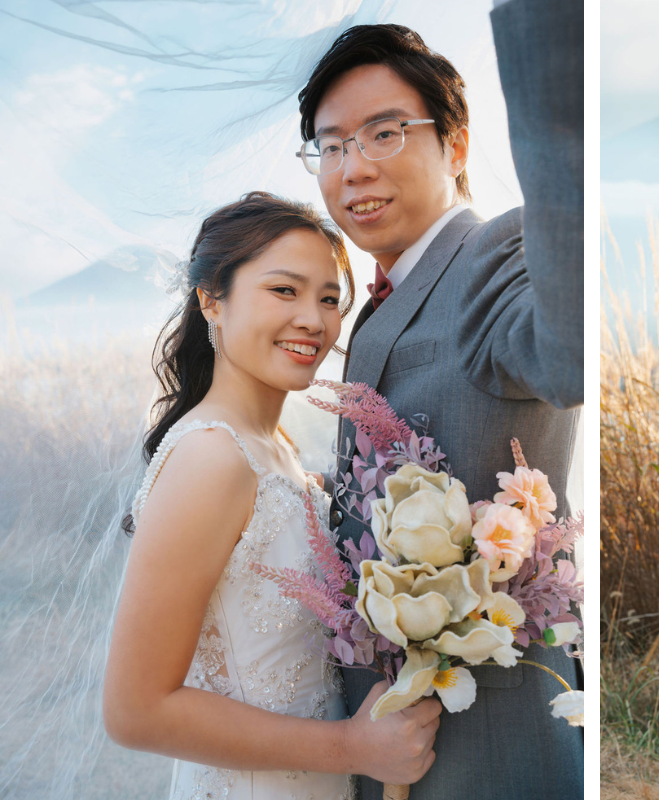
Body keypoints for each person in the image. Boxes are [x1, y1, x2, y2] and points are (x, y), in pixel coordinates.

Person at [294, 3, 583, 798]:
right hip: (392, 749)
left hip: (494, 751)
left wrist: (554, 35)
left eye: (385, 133)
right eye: (331, 145)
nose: (352, 168)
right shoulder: (376, 298)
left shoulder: (500, 256)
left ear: (455, 144)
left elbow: (568, 352)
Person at [102, 192, 442, 798]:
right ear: (212, 298)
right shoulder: (211, 458)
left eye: (330, 299)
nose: (313, 319)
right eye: (284, 291)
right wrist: (351, 748)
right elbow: (135, 711)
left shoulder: (277, 448)